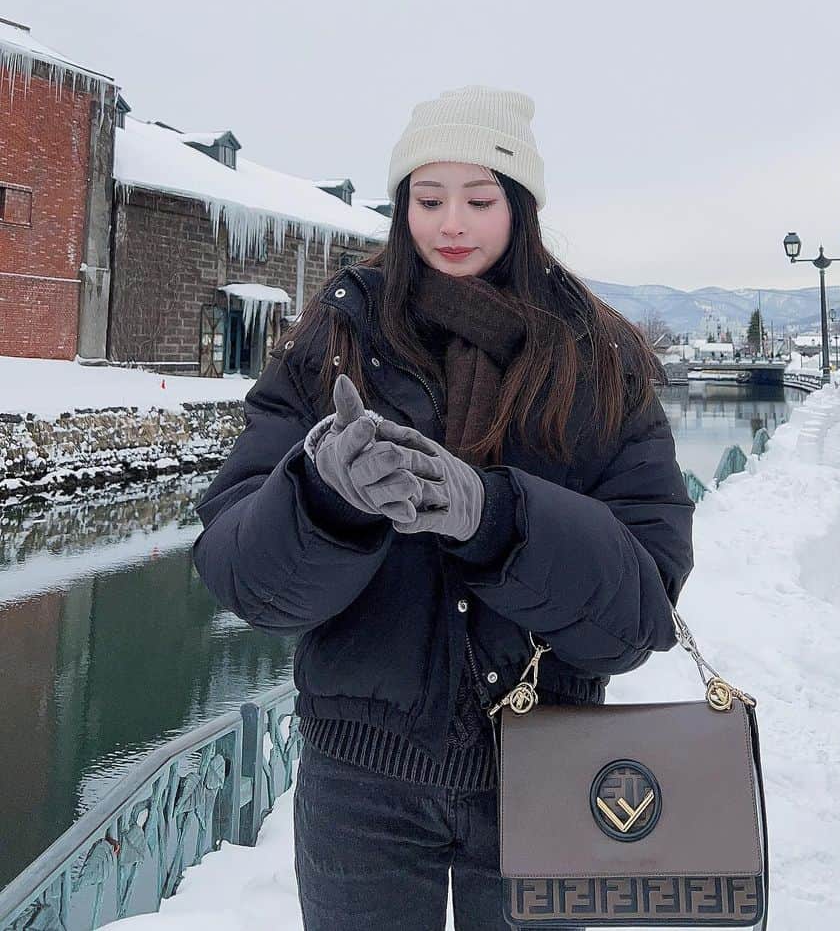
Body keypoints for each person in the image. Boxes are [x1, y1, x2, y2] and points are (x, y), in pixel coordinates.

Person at [191, 87, 695, 931]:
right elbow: (245, 579)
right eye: (428, 200)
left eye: (479, 200)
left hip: (553, 766)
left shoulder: (597, 361)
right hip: (361, 784)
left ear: (522, 208)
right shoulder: (335, 341)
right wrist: (322, 498)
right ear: (401, 209)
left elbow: (639, 615)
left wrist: (495, 520)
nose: (451, 223)